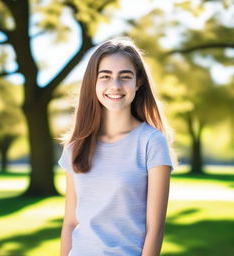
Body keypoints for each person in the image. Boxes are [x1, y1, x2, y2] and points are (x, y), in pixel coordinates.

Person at [58, 37, 177, 256]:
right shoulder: (75, 146)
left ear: (138, 82)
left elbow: (155, 228)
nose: (115, 86)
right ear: (93, 82)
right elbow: (70, 222)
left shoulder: (151, 142)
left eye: (125, 76)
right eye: (105, 76)